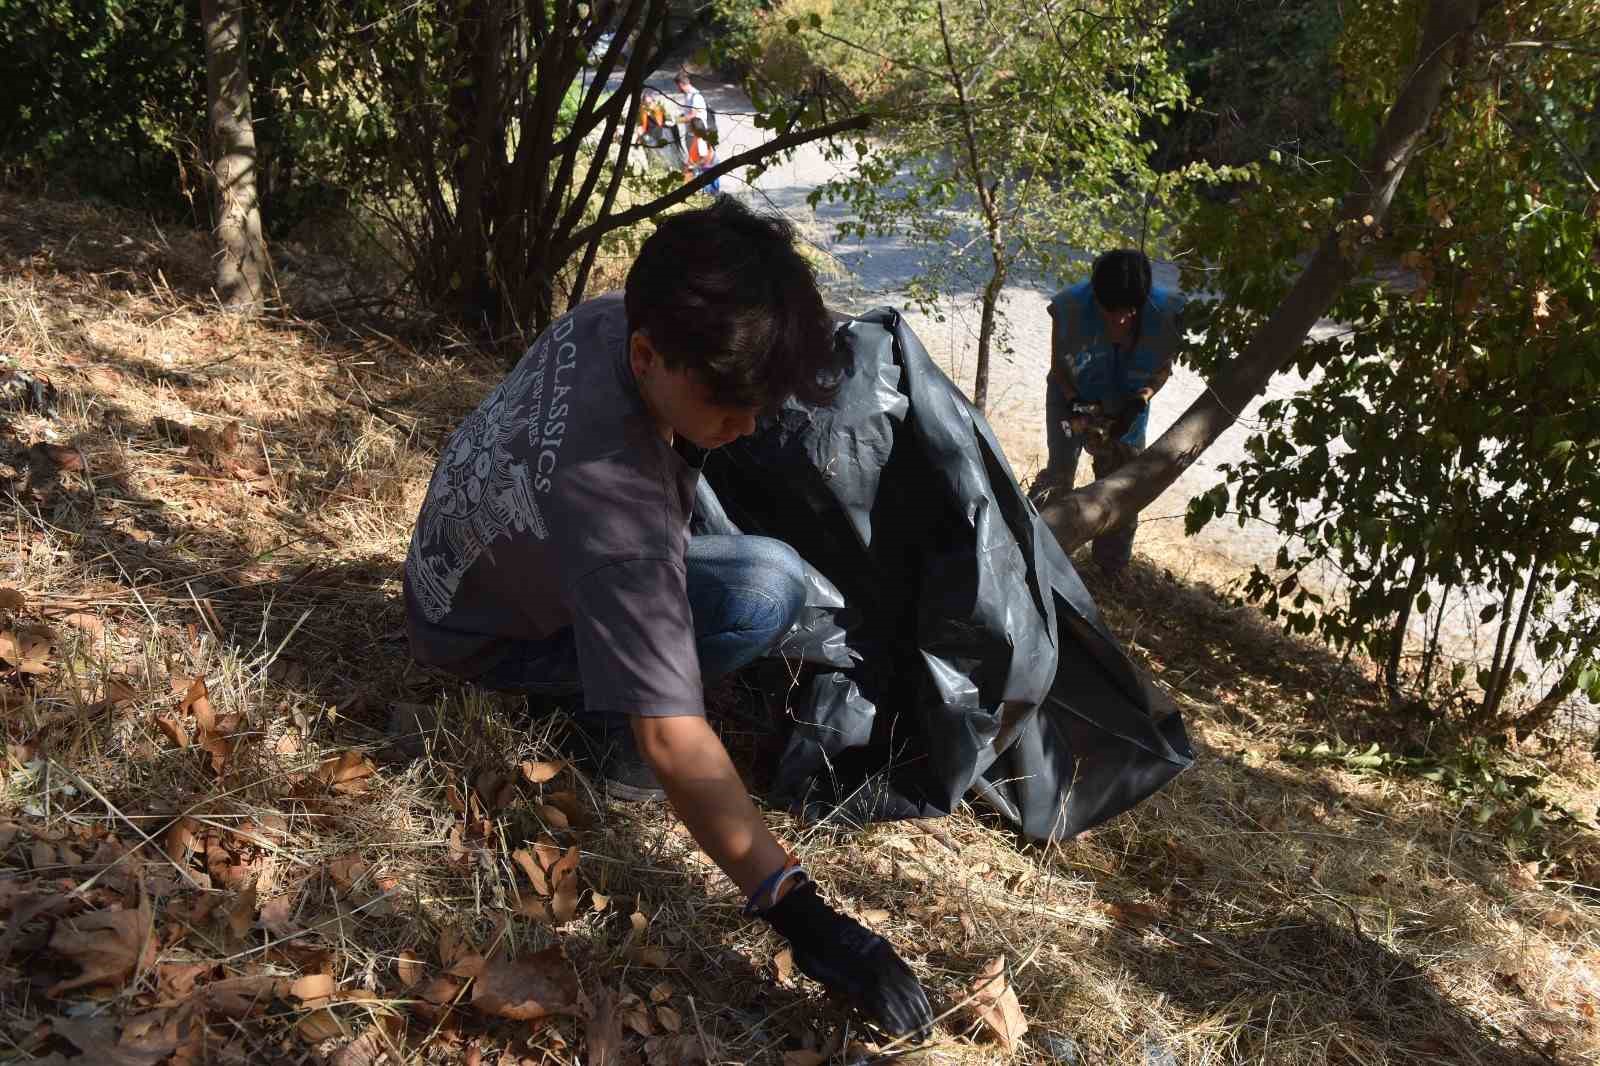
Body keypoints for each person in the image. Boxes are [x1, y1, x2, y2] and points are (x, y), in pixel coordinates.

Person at [402, 198, 934, 1037]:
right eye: (730, 407)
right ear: (650, 357)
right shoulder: (622, 528)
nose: (747, 425)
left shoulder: (606, 320)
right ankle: (594, 733)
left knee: (738, 550)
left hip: (444, 578)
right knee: (765, 588)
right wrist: (808, 919)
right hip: (480, 643)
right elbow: (676, 743)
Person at [1034, 249, 1185, 576]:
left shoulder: (1164, 312)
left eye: (1128, 311)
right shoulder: (1069, 308)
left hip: (1128, 406)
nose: (1119, 319)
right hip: (1070, 397)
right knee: (1059, 473)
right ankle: (1037, 551)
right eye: (1109, 311)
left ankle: (1110, 571)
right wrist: (1076, 404)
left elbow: (1162, 368)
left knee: (1122, 485)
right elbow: (1059, 366)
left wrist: (1141, 399)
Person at [674, 70, 720, 195]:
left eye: (677, 86)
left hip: (699, 131)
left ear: (682, 84)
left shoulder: (696, 96)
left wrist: (676, 120)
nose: (677, 89)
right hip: (693, 133)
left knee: (702, 160)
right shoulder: (688, 96)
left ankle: (709, 190)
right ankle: (699, 188)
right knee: (694, 159)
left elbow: (693, 114)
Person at [636, 87, 683, 172]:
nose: (648, 105)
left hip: (662, 133)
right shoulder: (643, 111)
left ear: (653, 101)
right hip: (653, 134)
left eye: (650, 103)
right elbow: (644, 126)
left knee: (669, 153)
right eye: (646, 103)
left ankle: (674, 168)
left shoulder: (657, 109)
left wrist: (651, 112)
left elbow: (659, 124)